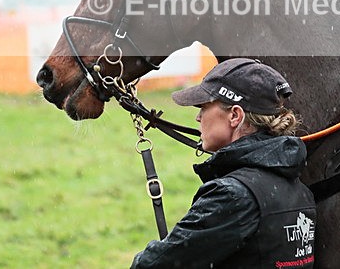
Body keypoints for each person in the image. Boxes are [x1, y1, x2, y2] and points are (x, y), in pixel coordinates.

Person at [131, 58, 316, 269]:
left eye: (204, 107)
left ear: (235, 116)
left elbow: (154, 265)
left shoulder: (232, 196)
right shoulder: (300, 191)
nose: (198, 118)